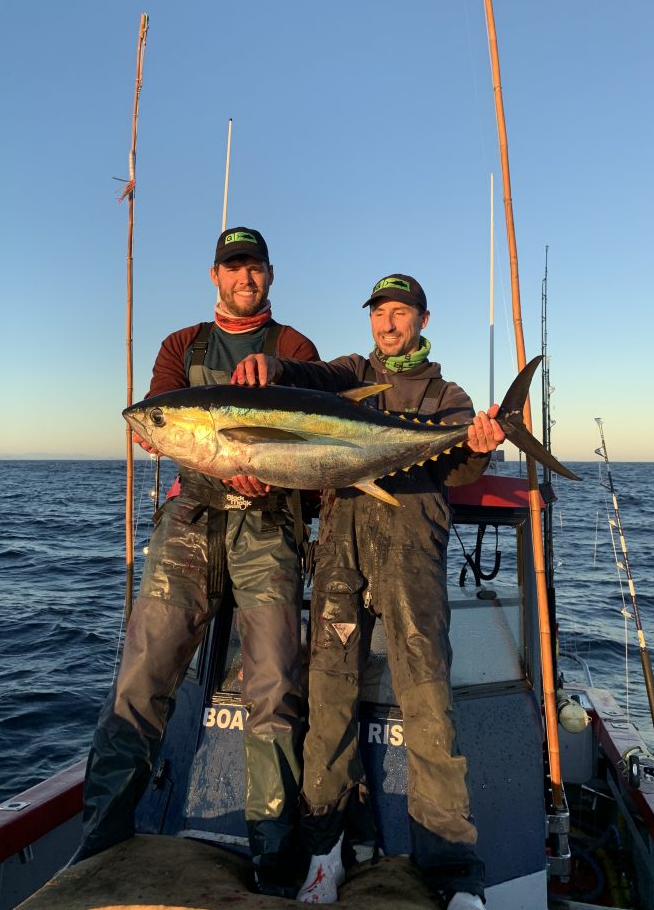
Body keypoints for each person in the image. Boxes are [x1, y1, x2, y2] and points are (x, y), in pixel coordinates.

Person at [231, 273, 505, 910]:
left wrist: (480, 446)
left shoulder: (447, 396)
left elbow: (458, 468)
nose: (388, 322)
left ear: (423, 320)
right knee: (328, 697)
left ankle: (453, 870)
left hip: (412, 555)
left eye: (400, 312)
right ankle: (326, 850)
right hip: (341, 551)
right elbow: (311, 378)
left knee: (427, 700)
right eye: (380, 312)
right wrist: (274, 365)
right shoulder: (350, 373)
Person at [75, 227, 319, 897]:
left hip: (269, 524)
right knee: (141, 677)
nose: (245, 278)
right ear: (215, 275)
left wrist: (269, 473)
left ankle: (275, 860)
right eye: (233, 267)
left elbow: (308, 440)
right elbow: (155, 422)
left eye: (255, 267)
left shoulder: (295, 348)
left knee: (274, 688)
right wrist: (192, 450)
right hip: (191, 521)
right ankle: (99, 845)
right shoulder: (182, 346)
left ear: (270, 274)